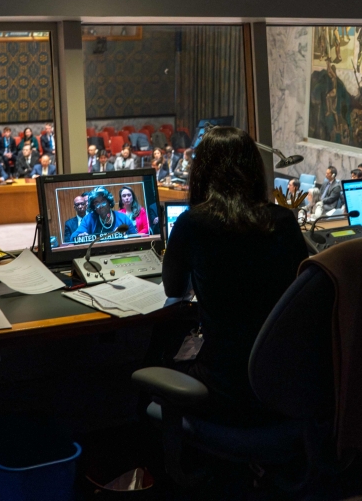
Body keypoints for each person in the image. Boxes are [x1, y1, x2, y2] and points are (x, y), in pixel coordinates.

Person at [161, 126, 310, 422]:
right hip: (283, 384)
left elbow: (173, 289)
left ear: (201, 172)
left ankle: (159, 461)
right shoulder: (284, 222)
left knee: (159, 349)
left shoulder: (192, 223)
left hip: (224, 386)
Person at [70, 187, 138, 241]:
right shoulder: (88, 219)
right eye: (96, 203)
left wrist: (124, 235)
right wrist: (79, 236)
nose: (101, 205)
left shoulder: (123, 218)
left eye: (103, 201)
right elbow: (73, 237)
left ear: (109, 202)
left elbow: (135, 238)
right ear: (93, 206)